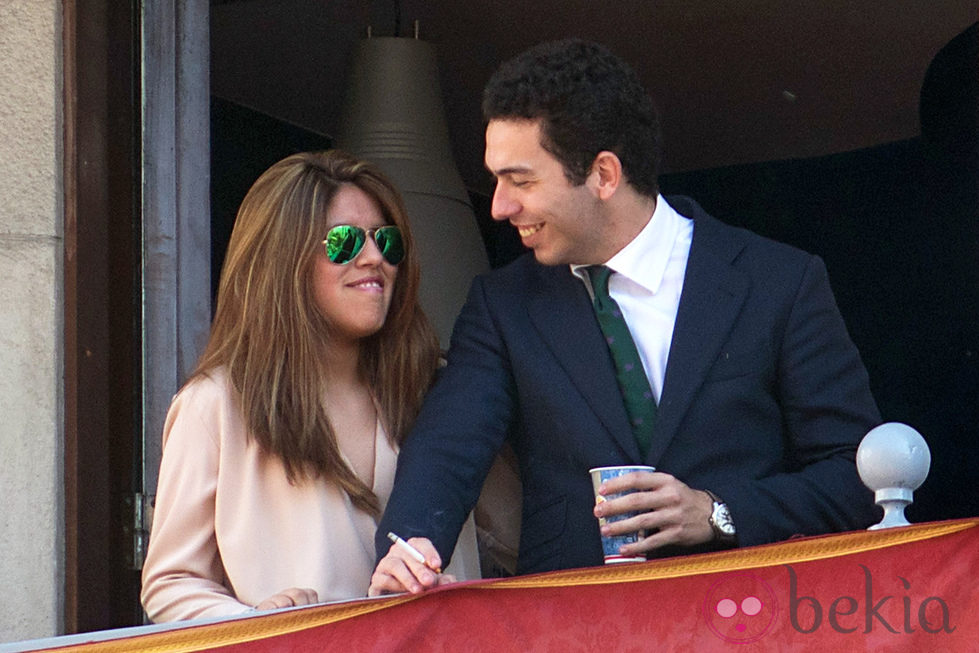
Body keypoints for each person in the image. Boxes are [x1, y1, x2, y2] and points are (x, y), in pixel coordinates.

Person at [369, 39, 880, 596]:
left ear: (604, 175)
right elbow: (448, 445)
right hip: (570, 626)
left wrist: (715, 513)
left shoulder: (779, 282)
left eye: (521, 180)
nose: (499, 206)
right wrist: (413, 543)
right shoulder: (503, 304)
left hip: (748, 617)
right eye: (496, 180)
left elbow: (856, 475)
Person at [141, 150, 479, 622]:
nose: (375, 258)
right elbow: (171, 584)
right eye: (343, 242)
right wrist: (259, 620)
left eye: (387, 241)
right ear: (283, 259)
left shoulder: (434, 389)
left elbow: (523, 526)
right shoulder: (215, 405)